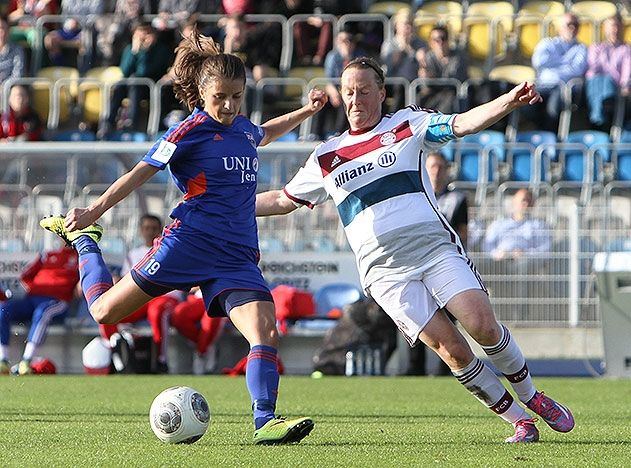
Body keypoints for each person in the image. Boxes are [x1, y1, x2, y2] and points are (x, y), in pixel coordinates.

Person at [256, 56, 575, 443]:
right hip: (386, 275)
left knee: (482, 325)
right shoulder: (326, 156)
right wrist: (222, 205)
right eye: (349, 91)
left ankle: (532, 396)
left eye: (364, 91)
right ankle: (517, 421)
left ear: (382, 93)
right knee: (453, 350)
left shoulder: (406, 124)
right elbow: (282, 200)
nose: (356, 99)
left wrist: (506, 102)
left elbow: (461, 123)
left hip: (434, 250)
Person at [40, 30, 326, 445]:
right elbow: (140, 172)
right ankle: (87, 241)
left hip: (236, 256)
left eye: (236, 96)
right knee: (103, 312)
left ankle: (265, 421)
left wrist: (306, 111)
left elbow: (264, 132)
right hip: (187, 243)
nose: (228, 106)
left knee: (265, 331)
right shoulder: (188, 131)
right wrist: (94, 211)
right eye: (220, 98)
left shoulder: (243, 129)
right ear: (202, 95)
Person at [406, 151, 468, 376]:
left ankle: (448, 369)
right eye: (432, 167)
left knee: (449, 318)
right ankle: (415, 368)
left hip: (444, 262)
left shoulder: (456, 199)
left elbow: (463, 233)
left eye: (440, 167)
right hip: (416, 262)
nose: (436, 171)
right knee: (418, 315)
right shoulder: (414, 196)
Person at [98, 214, 181, 374]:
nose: (150, 232)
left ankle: (161, 360)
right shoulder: (133, 254)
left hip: (164, 296)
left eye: (153, 228)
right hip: (141, 297)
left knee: (157, 312)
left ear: (160, 230)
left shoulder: (169, 249)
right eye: (146, 228)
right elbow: (125, 281)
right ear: (141, 231)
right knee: (107, 311)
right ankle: (116, 352)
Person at [0, 244, 79, 375]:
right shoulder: (47, 255)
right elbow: (26, 275)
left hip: (57, 301)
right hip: (32, 299)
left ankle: (26, 361)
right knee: (3, 309)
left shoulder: (81, 257)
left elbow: (86, 278)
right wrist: (36, 288)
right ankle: (3, 361)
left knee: (43, 312)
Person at [104, 22, 172, 134]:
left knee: (135, 81)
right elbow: (125, 71)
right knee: (120, 86)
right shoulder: (130, 49)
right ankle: (108, 123)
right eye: (140, 33)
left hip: (151, 86)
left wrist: (144, 52)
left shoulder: (161, 50)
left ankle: (132, 123)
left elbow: (144, 71)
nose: (143, 37)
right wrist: (134, 51)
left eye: (147, 33)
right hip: (132, 84)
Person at [531, 13, 588, 133]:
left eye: (576, 25)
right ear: (560, 27)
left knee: (554, 106)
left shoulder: (581, 48)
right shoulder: (547, 43)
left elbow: (577, 70)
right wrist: (566, 62)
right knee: (526, 102)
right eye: (569, 25)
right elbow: (538, 61)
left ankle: (549, 137)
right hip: (543, 84)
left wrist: (552, 63)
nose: (572, 28)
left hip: (564, 87)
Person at [585, 13, 631, 130]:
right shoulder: (596, 48)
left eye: (617, 27)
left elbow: (627, 70)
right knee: (599, 80)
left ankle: (597, 115)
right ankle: (600, 111)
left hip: (615, 85)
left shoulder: (626, 49)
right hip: (596, 84)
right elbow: (593, 69)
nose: (614, 30)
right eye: (611, 27)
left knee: (607, 80)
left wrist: (625, 84)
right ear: (605, 30)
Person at [170, 288, 226, 375]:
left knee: (211, 320)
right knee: (179, 314)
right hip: (198, 298)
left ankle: (201, 352)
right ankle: (204, 348)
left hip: (219, 298)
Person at [417, 25, 468, 113]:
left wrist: (433, 77)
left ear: (448, 40)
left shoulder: (458, 56)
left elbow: (455, 80)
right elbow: (425, 85)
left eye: (443, 38)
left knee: (449, 97)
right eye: (436, 40)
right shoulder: (428, 57)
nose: (440, 42)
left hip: (452, 94)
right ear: (431, 42)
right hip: (433, 95)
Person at [0, 16, 25, 99]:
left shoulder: (17, 50)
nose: (2, 32)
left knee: (18, 93)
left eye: (4, 28)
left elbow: (18, 74)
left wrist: (4, 86)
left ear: (8, 31)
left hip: (9, 89)